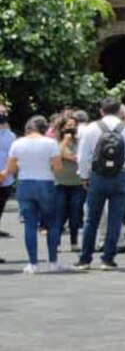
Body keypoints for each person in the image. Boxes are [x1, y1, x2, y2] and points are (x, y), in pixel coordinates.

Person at [74, 97, 125, 271]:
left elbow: (82, 157)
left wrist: (84, 177)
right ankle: (108, 259)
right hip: (122, 175)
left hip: (97, 176)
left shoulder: (91, 128)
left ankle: (85, 259)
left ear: (101, 111)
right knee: (115, 219)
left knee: (92, 219)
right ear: (120, 112)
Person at [0, 116, 64, 273]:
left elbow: (11, 169)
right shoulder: (50, 143)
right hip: (46, 183)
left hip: (25, 183)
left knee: (29, 224)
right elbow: (58, 168)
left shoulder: (17, 143)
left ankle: (33, 264)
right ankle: (53, 262)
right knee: (52, 224)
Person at [52, 116, 85, 252]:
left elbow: (82, 156)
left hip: (77, 181)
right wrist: (65, 142)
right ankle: (57, 242)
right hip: (60, 181)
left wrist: (69, 157)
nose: (71, 128)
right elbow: (55, 154)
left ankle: (74, 242)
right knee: (59, 214)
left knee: (75, 214)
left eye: (73, 125)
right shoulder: (55, 141)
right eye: (68, 125)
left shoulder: (80, 141)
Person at [0, 101, 16, 243]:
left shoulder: (10, 135)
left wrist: (6, 173)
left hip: (6, 179)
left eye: (4, 112)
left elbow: (14, 157)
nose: (2, 115)